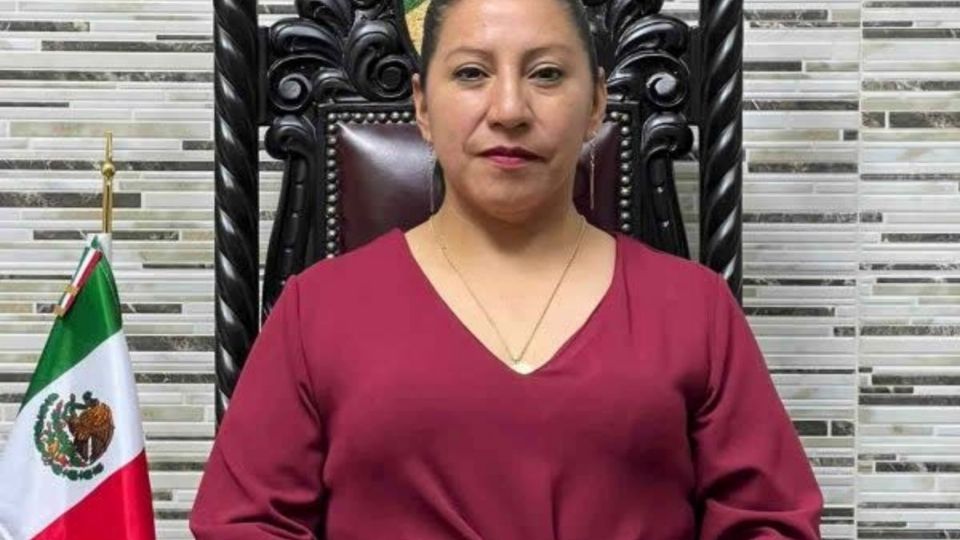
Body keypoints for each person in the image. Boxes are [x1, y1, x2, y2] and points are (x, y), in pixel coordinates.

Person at [189, 0, 824, 537]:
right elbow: (245, 523)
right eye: (471, 73)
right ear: (422, 106)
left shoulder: (694, 310)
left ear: (597, 104)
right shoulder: (318, 311)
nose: (510, 109)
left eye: (547, 74)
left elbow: (769, 521)